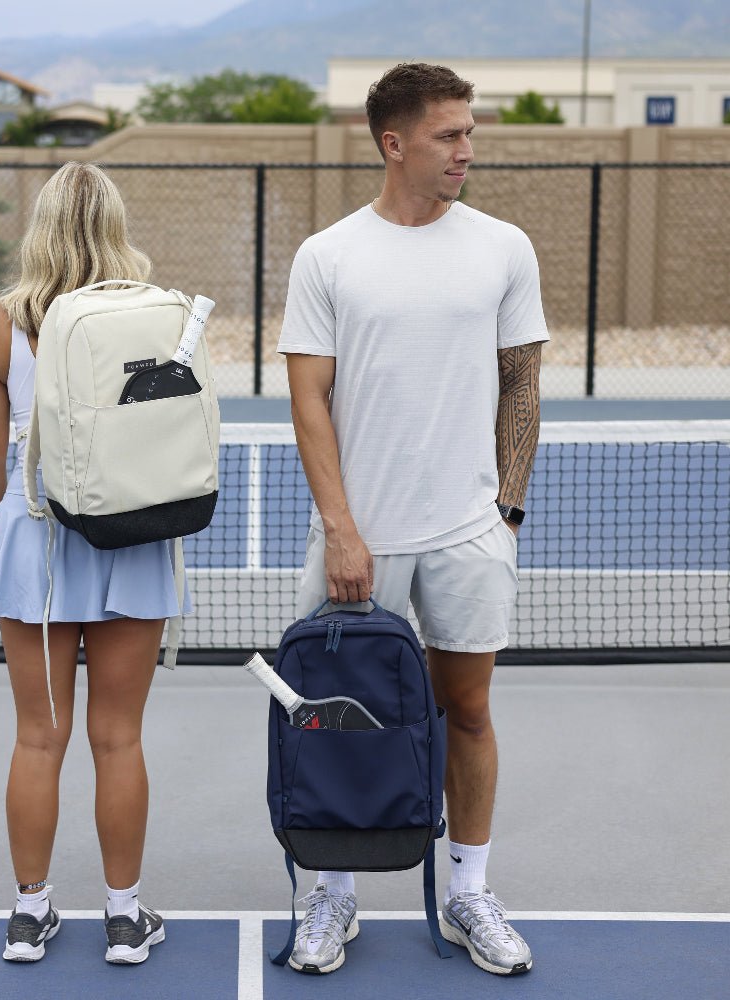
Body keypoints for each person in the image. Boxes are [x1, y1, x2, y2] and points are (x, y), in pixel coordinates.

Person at [277, 63, 547, 977]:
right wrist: (343, 530)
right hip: (360, 542)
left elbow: (522, 381)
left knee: (466, 714)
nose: (467, 149)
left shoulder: (504, 247)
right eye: (450, 135)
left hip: (469, 535)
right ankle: (334, 898)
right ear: (394, 143)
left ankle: (469, 890)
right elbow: (308, 400)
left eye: (470, 133)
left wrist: (505, 509)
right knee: (338, 722)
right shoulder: (328, 256)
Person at [0, 162, 181, 966]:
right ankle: (123, 918)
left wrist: (6, 532)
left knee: (37, 739)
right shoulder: (158, 317)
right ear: (115, 224)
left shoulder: (2, 322)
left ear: (42, 226)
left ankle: (30, 914)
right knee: (118, 739)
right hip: (133, 535)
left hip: (36, 540)